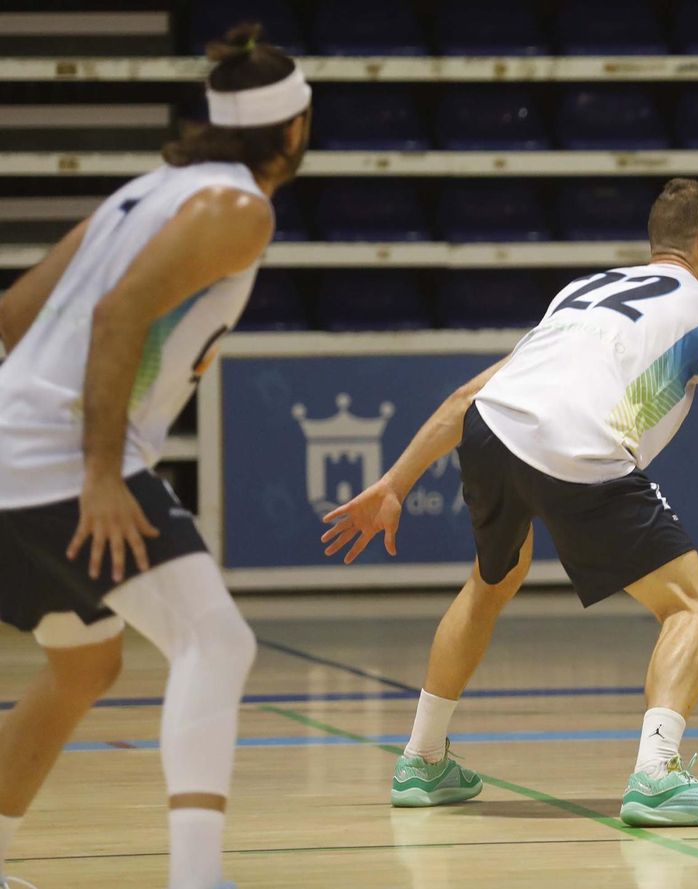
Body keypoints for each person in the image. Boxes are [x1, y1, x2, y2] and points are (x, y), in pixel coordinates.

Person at [321, 177, 698, 826]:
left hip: (492, 427)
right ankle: (656, 775)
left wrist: (395, 483)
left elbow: (469, 396)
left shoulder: (583, 291)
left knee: (492, 581)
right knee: (695, 609)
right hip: (579, 445)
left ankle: (421, 759)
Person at [0, 24, 310, 888]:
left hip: (11, 449)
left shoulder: (141, 193)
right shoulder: (240, 208)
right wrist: (99, 472)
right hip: (64, 459)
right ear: (294, 129)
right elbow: (119, 315)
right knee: (217, 641)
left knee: (84, 664)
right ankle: (197, 878)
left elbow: (16, 312)